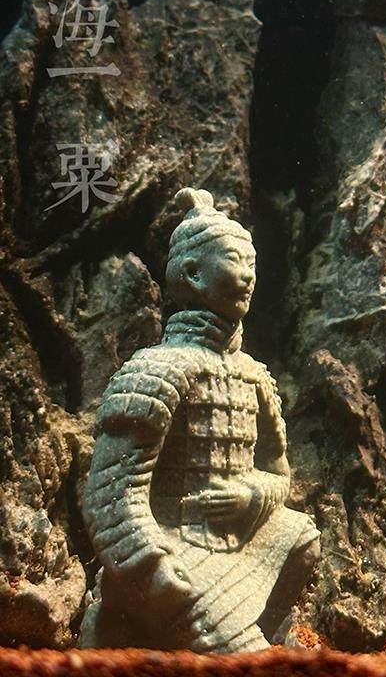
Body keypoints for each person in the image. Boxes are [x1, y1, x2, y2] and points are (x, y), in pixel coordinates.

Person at [80, 187, 320, 652]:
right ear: (192, 273)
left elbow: (278, 473)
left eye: (252, 263)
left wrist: (252, 495)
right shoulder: (157, 370)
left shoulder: (253, 375)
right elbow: (111, 495)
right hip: (175, 548)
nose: (248, 276)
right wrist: (150, 567)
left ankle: (248, 629)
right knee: (246, 657)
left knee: (301, 536)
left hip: (237, 541)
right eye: (234, 261)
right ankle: (129, 621)